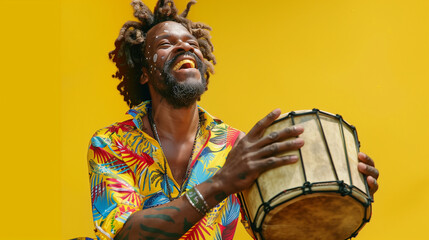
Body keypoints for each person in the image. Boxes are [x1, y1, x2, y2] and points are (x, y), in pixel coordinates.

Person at [87, 1, 380, 239]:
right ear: (144, 73)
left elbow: (276, 227)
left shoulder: (237, 146)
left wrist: (340, 191)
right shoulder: (111, 143)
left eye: (192, 43)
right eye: (166, 43)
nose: (185, 47)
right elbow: (125, 235)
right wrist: (220, 183)